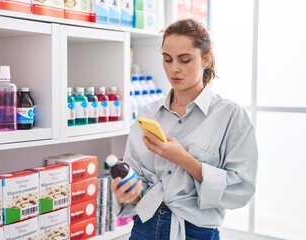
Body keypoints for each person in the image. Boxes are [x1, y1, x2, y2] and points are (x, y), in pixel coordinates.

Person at [110, 18, 258, 240]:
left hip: (196, 232)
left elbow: (241, 189)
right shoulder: (147, 114)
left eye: (185, 60)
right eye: (167, 59)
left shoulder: (231, 116)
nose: (174, 69)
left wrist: (184, 159)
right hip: (144, 228)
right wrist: (127, 192)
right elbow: (136, 179)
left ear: (206, 59)